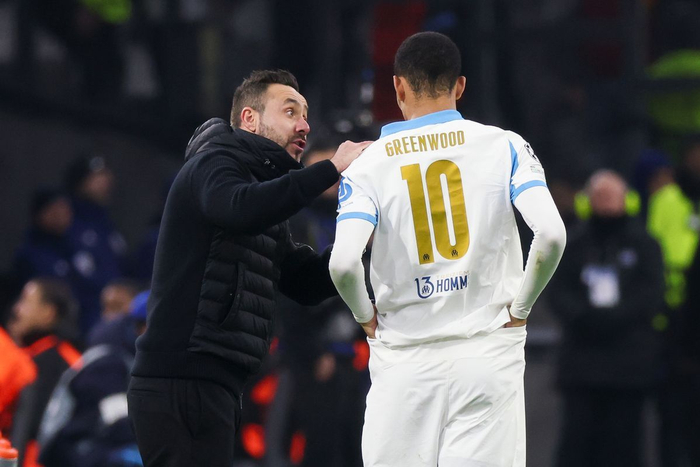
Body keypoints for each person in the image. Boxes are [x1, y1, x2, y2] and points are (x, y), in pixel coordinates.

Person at [328, 32, 566, 467]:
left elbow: (343, 264)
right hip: (486, 350)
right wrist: (521, 309)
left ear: (398, 87)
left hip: (403, 359)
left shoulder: (368, 164)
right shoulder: (505, 145)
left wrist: (366, 319)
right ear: (459, 86)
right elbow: (551, 235)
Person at [126, 69, 371, 467]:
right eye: (290, 112)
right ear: (249, 119)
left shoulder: (263, 199)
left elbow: (302, 281)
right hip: (180, 380)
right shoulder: (213, 164)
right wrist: (330, 168)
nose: (304, 125)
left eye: (305, 115)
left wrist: (364, 247)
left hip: (216, 383)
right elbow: (240, 207)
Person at [549, 170, 664, 467]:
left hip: (629, 365)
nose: (607, 203)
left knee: (624, 446)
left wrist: (616, 317)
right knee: (577, 443)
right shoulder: (573, 243)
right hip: (582, 363)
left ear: (627, 199)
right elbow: (557, 290)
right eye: (600, 196)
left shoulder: (644, 244)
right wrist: (585, 318)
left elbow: (651, 292)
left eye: (613, 196)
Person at [38, 291, 150, 467]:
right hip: (69, 450)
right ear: (142, 326)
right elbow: (118, 421)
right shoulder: (110, 361)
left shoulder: (129, 357)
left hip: (90, 446)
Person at [8, 278, 81, 467]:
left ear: (48, 313)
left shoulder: (66, 364)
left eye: (25, 301)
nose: (17, 309)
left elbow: (32, 429)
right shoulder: (26, 354)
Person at [65, 155, 127, 334]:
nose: (106, 181)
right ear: (81, 182)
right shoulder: (69, 222)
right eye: (97, 176)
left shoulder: (107, 224)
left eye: (106, 175)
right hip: (86, 321)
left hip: (117, 317)